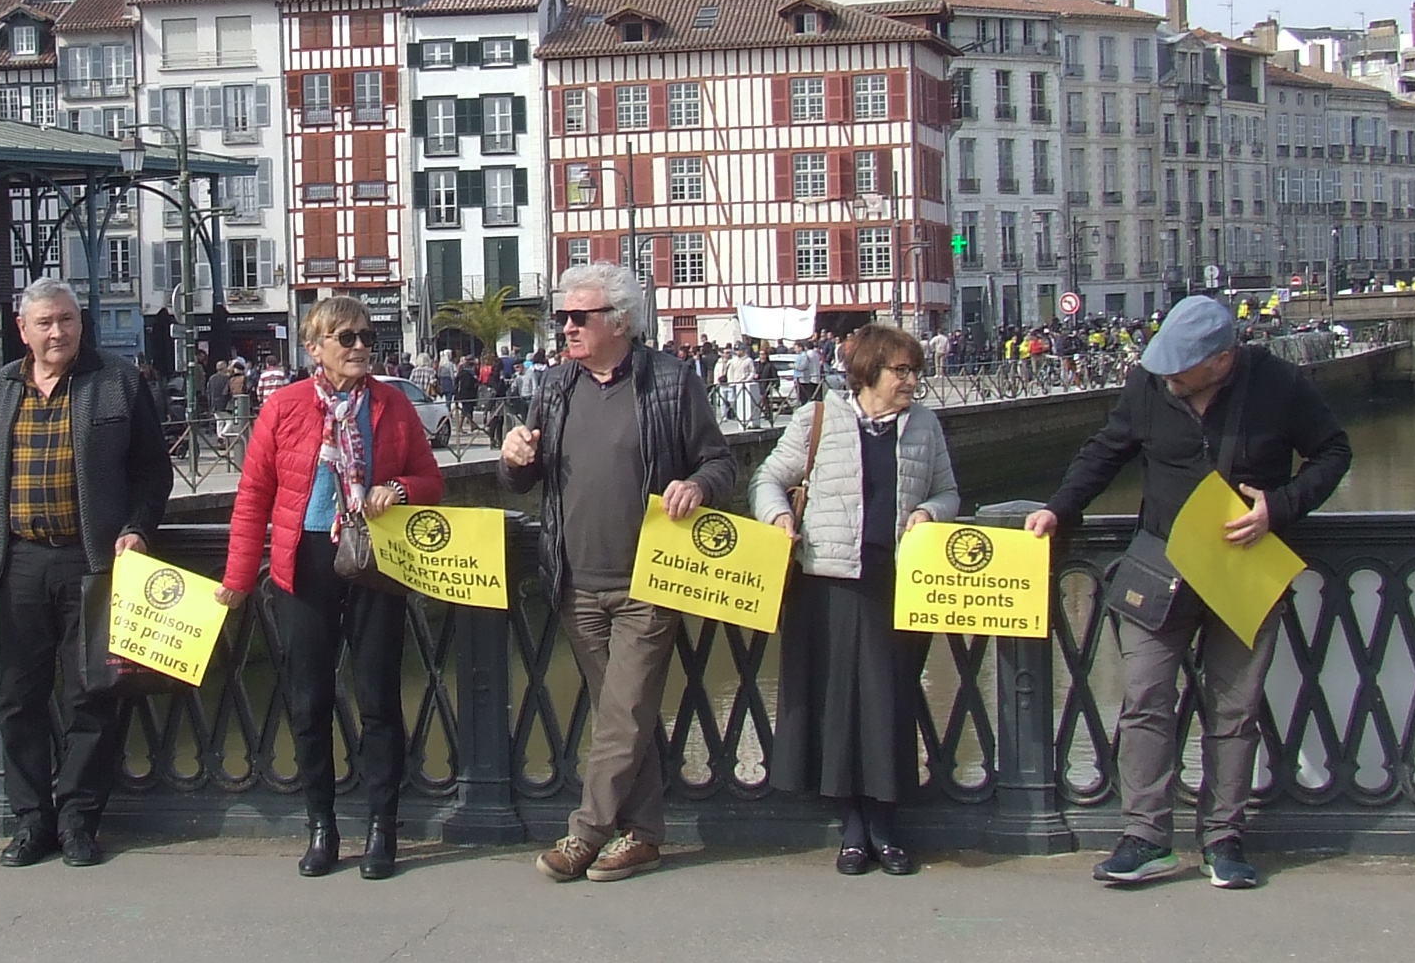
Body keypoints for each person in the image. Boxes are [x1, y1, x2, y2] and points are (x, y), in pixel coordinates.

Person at [1024, 295, 1352, 890]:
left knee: (1235, 707)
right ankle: (1144, 837)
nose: (1170, 377)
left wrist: (1278, 508)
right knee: (1145, 695)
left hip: (1243, 568)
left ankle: (1223, 838)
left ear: (1222, 360)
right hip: (1159, 564)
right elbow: (1106, 450)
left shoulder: (1280, 384)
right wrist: (1059, 508)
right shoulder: (1148, 385)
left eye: (1182, 368)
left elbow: (1334, 451)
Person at [498, 263, 738, 883]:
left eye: (581, 317)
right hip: (573, 578)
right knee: (619, 713)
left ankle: (586, 834)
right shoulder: (554, 386)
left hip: (648, 580)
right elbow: (528, 478)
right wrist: (514, 458)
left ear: (620, 322)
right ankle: (643, 834)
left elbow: (720, 462)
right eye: (564, 317)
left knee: (624, 711)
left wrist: (697, 485)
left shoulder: (669, 381)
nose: (567, 328)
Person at [0, 279, 173, 870]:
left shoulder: (116, 381)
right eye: (45, 323)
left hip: (90, 561)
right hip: (20, 559)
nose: (58, 333)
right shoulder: (2, 389)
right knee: (18, 697)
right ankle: (30, 821)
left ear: (81, 323)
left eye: (68, 320)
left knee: (90, 695)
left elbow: (153, 472)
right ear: (23, 329)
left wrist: (137, 528)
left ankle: (77, 819)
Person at [218, 295, 445, 880]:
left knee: (377, 700)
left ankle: (381, 829)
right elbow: (252, 501)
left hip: (374, 561)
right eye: (346, 337)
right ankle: (321, 826)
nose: (361, 347)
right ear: (314, 347)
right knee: (309, 700)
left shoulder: (391, 406)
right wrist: (239, 579)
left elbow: (430, 480)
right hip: (305, 561)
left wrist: (397, 488)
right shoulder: (284, 408)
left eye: (367, 337)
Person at [750, 323, 960, 874]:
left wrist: (930, 512)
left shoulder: (924, 427)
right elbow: (768, 478)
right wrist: (777, 517)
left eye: (913, 370)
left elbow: (947, 490)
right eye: (902, 371)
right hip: (829, 583)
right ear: (868, 373)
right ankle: (853, 828)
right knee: (838, 703)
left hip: (895, 583)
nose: (912, 380)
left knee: (888, 702)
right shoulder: (818, 419)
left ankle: (886, 824)